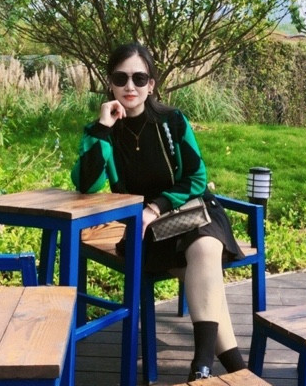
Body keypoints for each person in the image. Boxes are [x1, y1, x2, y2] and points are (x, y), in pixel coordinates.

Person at [71, 42, 246, 380]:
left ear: (151, 84)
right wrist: (103, 128)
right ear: (110, 83)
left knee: (204, 247)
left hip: (191, 212)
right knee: (204, 276)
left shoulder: (171, 121)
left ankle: (201, 366)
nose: (130, 86)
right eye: (121, 78)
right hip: (148, 231)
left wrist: (155, 207)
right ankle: (236, 369)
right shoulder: (101, 132)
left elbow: (196, 177)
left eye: (139, 78)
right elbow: (87, 185)